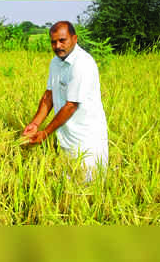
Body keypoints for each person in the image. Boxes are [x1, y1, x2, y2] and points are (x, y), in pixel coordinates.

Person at [22, 21, 108, 181]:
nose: (57, 46)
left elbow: (70, 106)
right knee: (67, 188)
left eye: (62, 40)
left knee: (88, 191)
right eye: (53, 42)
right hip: (66, 137)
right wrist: (34, 124)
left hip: (87, 140)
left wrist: (45, 134)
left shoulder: (82, 64)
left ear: (74, 39)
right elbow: (49, 95)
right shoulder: (56, 62)